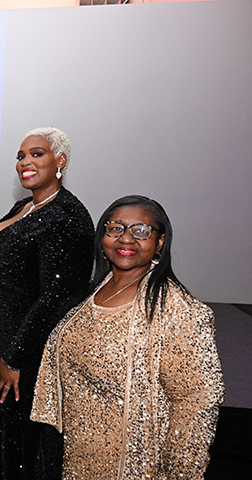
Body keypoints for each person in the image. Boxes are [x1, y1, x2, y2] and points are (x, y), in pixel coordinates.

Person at [31, 195, 224, 479]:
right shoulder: (96, 289)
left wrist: (180, 473)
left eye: (141, 231)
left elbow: (196, 400)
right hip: (76, 456)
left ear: (160, 242)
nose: (126, 238)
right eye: (116, 228)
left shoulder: (177, 309)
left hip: (133, 466)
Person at [0, 127, 94, 480]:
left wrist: (16, 357)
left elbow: (57, 298)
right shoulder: (26, 206)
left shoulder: (67, 216)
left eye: (36, 154)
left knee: (12, 444)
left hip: (23, 355)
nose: (25, 162)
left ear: (60, 160)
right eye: (20, 156)